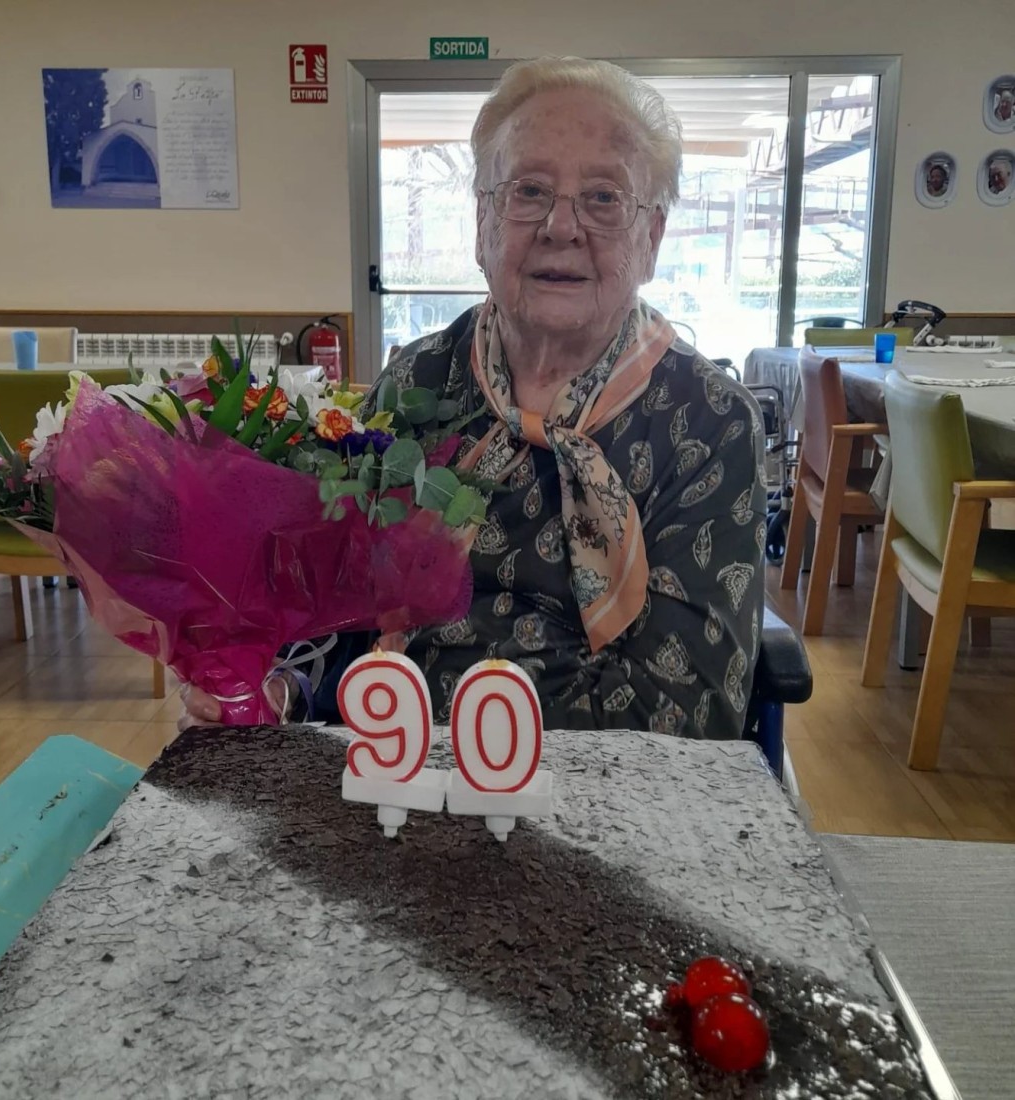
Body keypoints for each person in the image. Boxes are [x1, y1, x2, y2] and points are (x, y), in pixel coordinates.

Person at [183, 57, 766, 738]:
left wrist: (468, 752)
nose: (561, 226)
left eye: (604, 198)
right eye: (529, 190)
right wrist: (281, 688)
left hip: (590, 779)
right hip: (382, 755)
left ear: (653, 237)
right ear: (483, 219)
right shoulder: (416, 381)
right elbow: (342, 613)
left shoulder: (711, 422)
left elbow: (687, 715)